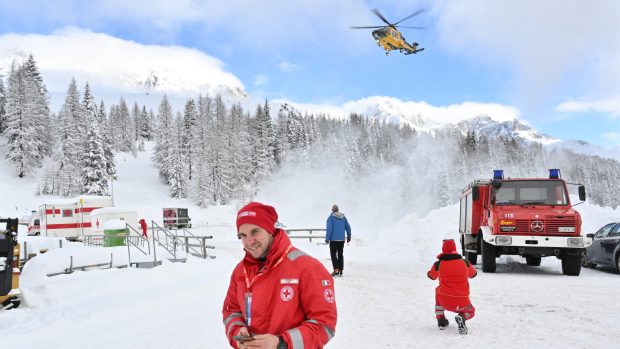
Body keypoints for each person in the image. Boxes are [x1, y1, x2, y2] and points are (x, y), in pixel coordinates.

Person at [222, 202, 337, 349]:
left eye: (255, 232)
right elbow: (231, 311)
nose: (249, 241)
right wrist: (238, 333)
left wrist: (281, 343)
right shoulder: (240, 271)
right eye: (243, 235)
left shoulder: (308, 268)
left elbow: (324, 325)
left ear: (270, 230)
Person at [427, 239, 477, 335]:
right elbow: (473, 274)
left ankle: (441, 320)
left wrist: (431, 272)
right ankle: (463, 316)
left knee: (438, 290)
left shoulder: (438, 264)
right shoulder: (465, 263)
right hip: (462, 303)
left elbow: (431, 276)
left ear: (443, 249)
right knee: (472, 312)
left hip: (444, 302)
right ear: (454, 248)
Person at [325, 204, 351, 277]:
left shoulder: (330, 218)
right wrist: (349, 236)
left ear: (332, 210)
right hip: (341, 239)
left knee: (333, 254)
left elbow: (329, 229)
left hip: (333, 240)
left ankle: (336, 269)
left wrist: (327, 239)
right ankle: (341, 270)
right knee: (340, 254)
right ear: (338, 210)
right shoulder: (343, 218)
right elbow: (348, 227)